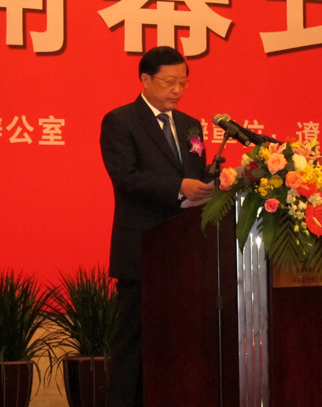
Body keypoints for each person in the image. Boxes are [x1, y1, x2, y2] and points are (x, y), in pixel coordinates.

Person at [100, 46, 214, 407]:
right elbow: (126, 178)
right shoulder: (120, 121)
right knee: (133, 342)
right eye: (169, 81)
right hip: (141, 251)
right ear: (145, 79)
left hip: (185, 252)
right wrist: (179, 187)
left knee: (177, 341)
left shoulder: (191, 125)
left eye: (183, 82)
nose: (177, 90)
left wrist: (219, 182)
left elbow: (198, 175)